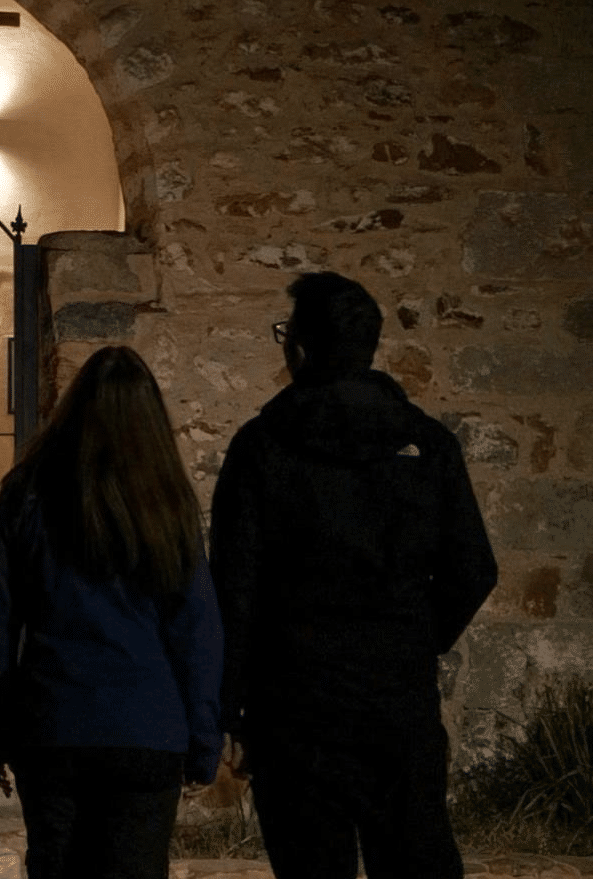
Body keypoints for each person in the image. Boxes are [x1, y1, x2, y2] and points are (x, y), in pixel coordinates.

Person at [210, 272, 498, 879]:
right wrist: (414, 637)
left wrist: (230, 707)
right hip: (397, 702)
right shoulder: (425, 444)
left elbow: (234, 589)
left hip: (294, 708)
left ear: (301, 349)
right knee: (415, 857)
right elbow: (472, 568)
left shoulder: (261, 449)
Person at [0, 344, 223, 879]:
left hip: (53, 723)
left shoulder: (27, 493)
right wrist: (203, 741)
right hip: (146, 726)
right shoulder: (167, 501)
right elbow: (196, 632)